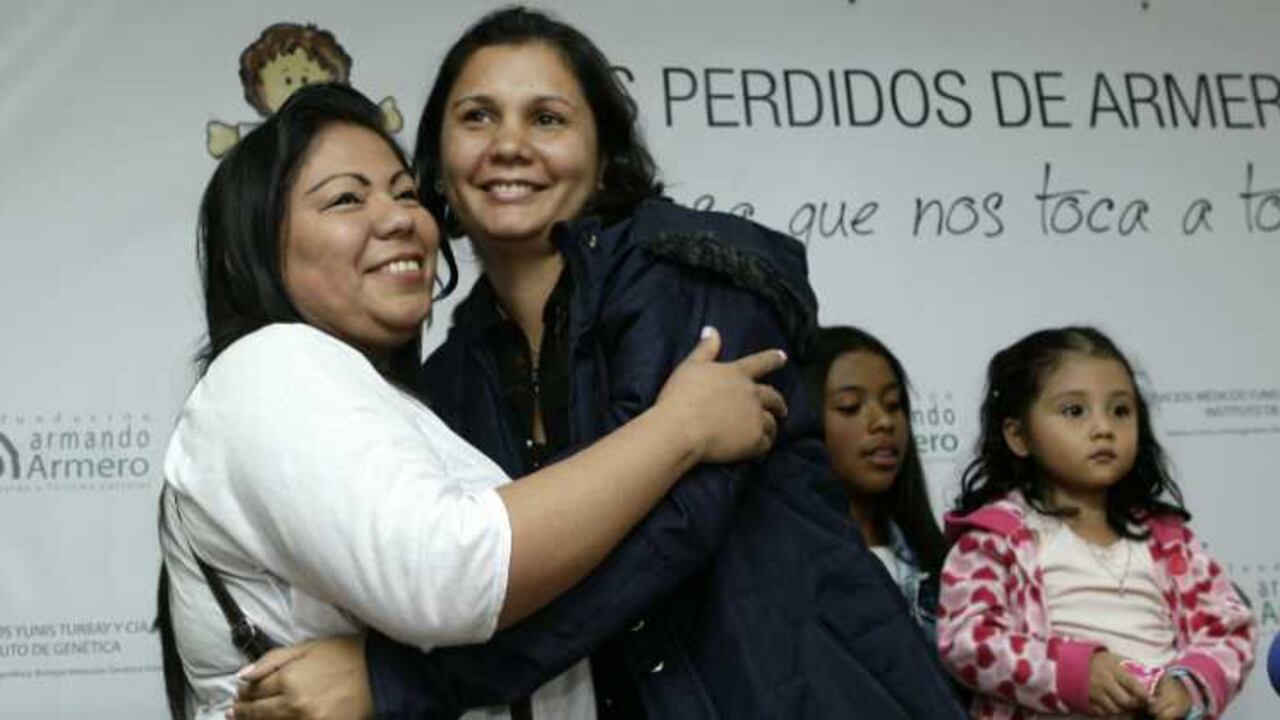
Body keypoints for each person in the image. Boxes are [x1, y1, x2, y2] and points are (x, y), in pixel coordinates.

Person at [232, 7, 965, 720]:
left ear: (605, 152)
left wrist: (393, 683)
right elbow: (483, 582)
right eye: (477, 117)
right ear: (436, 164)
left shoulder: (688, 275)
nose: (509, 145)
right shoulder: (451, 374)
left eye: (546, 119)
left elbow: (660, 543)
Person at [156, 81, 790, 719]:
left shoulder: (403, 402)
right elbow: (449, 575)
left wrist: (383, 679)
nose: (402, 216)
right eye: (346, 198)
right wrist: (679, 429)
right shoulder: (269, 365)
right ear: (255, 251)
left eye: (405, 192)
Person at [937, 326, 1256, 720]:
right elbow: (968, 641)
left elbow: (1229, 628)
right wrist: (1074, 674)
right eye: (1074, 411)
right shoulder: (994, 539)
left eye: (1120, 410)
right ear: (1019, 436)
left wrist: (1188, 684)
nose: (1104, 427)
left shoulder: (1169, 541)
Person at [801, 326, 947, 640]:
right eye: (850, 406)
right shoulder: (790, 569)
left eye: (894, 404)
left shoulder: (948, 564)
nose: (883, 421)